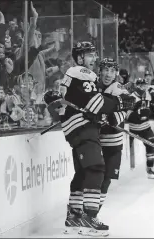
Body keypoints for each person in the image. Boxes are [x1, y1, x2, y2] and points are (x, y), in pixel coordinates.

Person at [44, 42, 135, 237]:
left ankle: (74, 217)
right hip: (82, 127)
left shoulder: (77, 74)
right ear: (79, 58)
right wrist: (117, 103)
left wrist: (109, 112)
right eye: (90, 55)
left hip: (79, 128)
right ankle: (89, 218)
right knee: (96, 169)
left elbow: (91, 104)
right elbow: (96, 104)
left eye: (94, 55)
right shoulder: (83, 73)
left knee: (84, 173)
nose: (93, 58)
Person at [97, 58, 129, 213]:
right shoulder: (93, 86)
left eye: (111, 71)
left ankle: (94, 212)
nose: (108, 74)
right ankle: (85, 210)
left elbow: (129, 105)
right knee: (94, 176)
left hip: (113, 142)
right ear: (100, 71)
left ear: (116, 73)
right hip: (95, 140)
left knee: (106, 178)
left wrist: (113, 118)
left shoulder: (118, 88)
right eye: (105, 70)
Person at [126, 78, 154, 179]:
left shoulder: (148, 95)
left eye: (145, 85)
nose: (144, 87)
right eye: (141, 86)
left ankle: (149, 169)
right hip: (133, 127)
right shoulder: (131, 97)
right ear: (137, 86)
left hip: (145, 126)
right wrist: (137, 114)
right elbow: (127, 114)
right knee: (128, 147)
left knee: (151, 143)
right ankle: (129, 169)